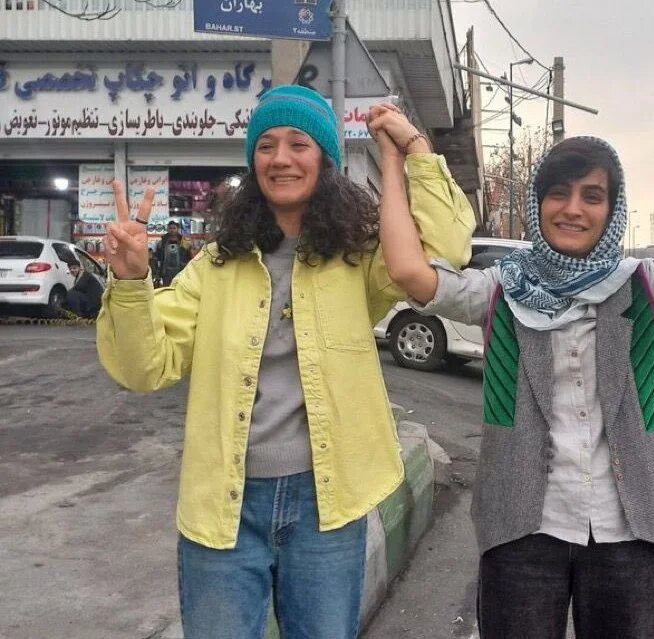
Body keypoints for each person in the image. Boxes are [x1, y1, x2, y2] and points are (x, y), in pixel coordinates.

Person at [372, 74, 654, 639]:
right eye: (558, 194)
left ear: (612, 210)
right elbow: (407, 271)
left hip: (628, 534)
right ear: (537, 202)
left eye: (592, 196)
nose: (573, 209)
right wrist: (399, 157)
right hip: (521, 531)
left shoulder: (645, 284)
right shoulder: (504, 290)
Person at [95, 84, 475, 639]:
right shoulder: (214, 267)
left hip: (328, 505)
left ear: (325, 158)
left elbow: (444, 253)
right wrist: (130, 281)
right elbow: (144, 366)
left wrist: (416, 150)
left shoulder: (359, 258)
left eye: (299, 143)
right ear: (253, 163)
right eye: (266, 145)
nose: (281, 158)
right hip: (224, 509)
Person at [154, 219, 192, 286]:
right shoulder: (161, 243)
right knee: (167, 289)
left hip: (180, 271)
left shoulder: (185, 243)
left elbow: (189, 258)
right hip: (166, 272)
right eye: (170, 228)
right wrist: (157, 274)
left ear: (178, 229)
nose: (172, 230)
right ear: (167, 229)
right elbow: (158, 259)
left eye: (174, 228)